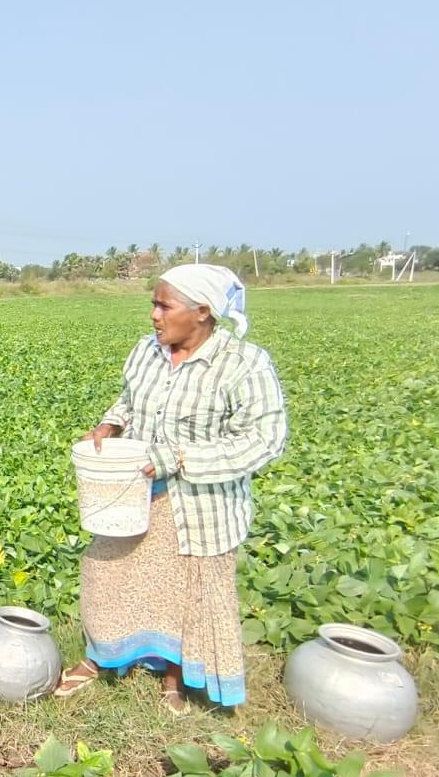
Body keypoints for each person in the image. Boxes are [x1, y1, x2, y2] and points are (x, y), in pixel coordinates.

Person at [55, 265, 287, 713]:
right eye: (153, 303)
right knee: (107, 571)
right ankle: (99, 657)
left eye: (165, 305)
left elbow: (264, 441)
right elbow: (128, 397)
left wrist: (179, 457)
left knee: (185, 588)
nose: (154, 315)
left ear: (202, 312)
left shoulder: (243, 364)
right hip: (133, 491)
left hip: (200, 503)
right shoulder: (147, 351)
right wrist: (111, 423)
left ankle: (175, 681)